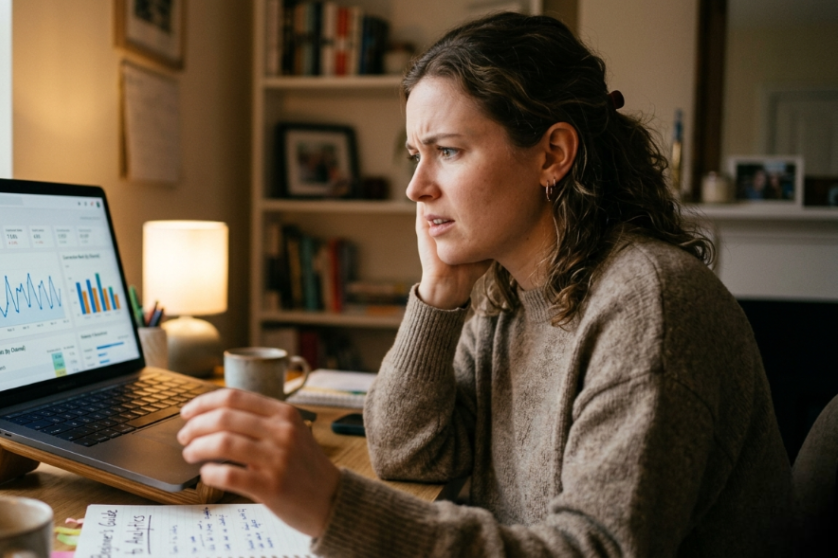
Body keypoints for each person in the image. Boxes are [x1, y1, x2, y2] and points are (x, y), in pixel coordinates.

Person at [177, 12, 793, 557]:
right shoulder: (507, 291)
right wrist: (437, 293)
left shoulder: (648, 307)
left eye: (447, 151)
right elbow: (409, 452)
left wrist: (332, 507)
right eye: (416, 155)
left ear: (553, 153)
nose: (415, 188)